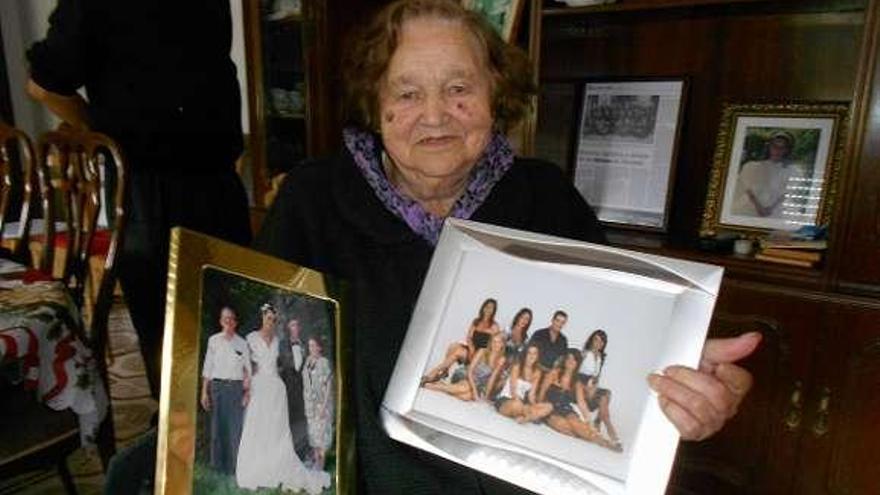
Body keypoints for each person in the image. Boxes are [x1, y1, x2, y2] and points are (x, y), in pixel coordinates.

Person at [254, 0, 760, 492]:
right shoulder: (311, 202)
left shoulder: (548, 197)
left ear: (497, 93)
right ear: (375, 103)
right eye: (406, 94)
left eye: (459, 89)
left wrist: (676, 381)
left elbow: (611, 355)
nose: (434, 116)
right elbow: (278, 368)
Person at [26, 0, 253, 402]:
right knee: (167, 337)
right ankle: (173, 441)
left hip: (217, 181)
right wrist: (102, 130)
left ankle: (224, 437)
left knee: (233, 320)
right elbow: (44, 81)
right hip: (150, 189)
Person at [236, 304, 330, 493]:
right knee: (258, 425)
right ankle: (257, 468)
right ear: (262, 317)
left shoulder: (279, 340)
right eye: (268, 318)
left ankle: (277, 465)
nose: (271, 322)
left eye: (273, 319)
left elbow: (288, 365)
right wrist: (246, 386)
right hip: (260, 386)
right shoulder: (251, 338)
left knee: (276, 429)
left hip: (277, 389)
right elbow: (245, 365)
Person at [199, 306, 251, 476]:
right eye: (225, 318)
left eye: (231, 319)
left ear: (235, 322)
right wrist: (204, 392)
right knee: (216, 427)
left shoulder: (242, 343)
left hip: (235, 388)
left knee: (235, 428)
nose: (228, 321)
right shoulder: (213, 340)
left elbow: (248, 370)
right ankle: (217, 466)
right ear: (221, 321)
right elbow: (208, 367)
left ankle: (234, 465)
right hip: (217, 388)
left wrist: (247, 393)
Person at [538, 349, 619, 452]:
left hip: (565, 408)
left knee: (576, 423)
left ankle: (604, 442)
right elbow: (542, 392)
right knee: (563, 426)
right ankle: (588, 435)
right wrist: (539, 411)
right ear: (565, 360)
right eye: (569, 358)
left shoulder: (577, 382)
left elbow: (582, 404)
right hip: (549, 407)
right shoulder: (554, 373)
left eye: (574, 360)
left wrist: (589, 422)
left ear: (577, 363)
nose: (570, 362)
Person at [730, 130, 809, 218]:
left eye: (782, 147)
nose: (777, 150)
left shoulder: (792, 170)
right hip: (753, 204)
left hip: (777, 207)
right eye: (774, 146)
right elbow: (748, 189)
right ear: (769, 147)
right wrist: (758, 207)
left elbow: (787, 193)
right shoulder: (752, 166)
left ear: (787, 150)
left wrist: (771, 208)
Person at [422, 297, 501, 384]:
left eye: (491, 308)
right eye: (487, 306)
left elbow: (494, 346)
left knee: (458, 352)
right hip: (471, 349)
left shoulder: (494, 326)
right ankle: (445, 372)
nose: (488, 309)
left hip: (480, 355)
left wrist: (481, 355)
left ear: (494, 311)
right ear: (483, 307)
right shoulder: (476, 321)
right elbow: (469, 337)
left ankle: (432, 374)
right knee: (453, 346)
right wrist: (471, 348)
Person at [425, 332, 507, 402]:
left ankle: (443, 385)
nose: (495, 345)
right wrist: (474, 391)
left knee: (466, 397)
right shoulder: (483, 351)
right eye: (494, 341)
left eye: (498, 342)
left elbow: (492, 378)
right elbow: (470, 371)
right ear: (490, 342)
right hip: (465, 375)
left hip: (478, 383)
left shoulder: (501, 359)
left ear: (503, 344)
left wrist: (486, 396)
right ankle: (430, 386)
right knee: (466, 388)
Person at [577, 329, 620, 448]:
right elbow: (576, 374)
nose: (598, 343)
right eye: (596, 340)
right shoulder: (585, 353)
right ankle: (608, 426)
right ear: (591, 340)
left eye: (601, 341)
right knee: (604, 395)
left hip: (592, 387)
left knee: (607, 394)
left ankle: (601, 422)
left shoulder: (600, 357)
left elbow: (596, 376)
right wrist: (588, 385)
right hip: (580, 387)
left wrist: (594, 385)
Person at [495, 343, 552, 424]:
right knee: (517, 405)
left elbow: (531, 395)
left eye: (535, 353)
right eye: (529, 353)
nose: (532, 356)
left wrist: (534, 405)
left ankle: (526, 417)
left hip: (521, 403)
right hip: (506, 400)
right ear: (525, 355)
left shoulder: (537, 372)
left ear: (537, 356)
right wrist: (529, 408)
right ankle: (530, 416)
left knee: (549, 406)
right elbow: (513, 390)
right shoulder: (517, 366)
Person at [278, 318, 310, 459]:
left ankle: (302, 453)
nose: (295, 327)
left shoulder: (305, 345)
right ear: (288, 328)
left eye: (297, 325)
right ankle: (288, 453)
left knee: (302, 420)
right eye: (292, 325)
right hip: (288, 389)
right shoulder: (282, 345)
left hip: (302, 389)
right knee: (289, 421)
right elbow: (279, 365)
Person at [303, 334, 335, 471]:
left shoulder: (324, 362)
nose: (311, 348)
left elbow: (328, 386)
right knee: (313, 433)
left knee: (322, 434)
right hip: (310, 404)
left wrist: (324, 405)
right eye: (310, 345)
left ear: (319, 347)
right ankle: (316, 460)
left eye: (314, 345)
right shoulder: (308, 361)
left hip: (322, 403)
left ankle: (321, 464)